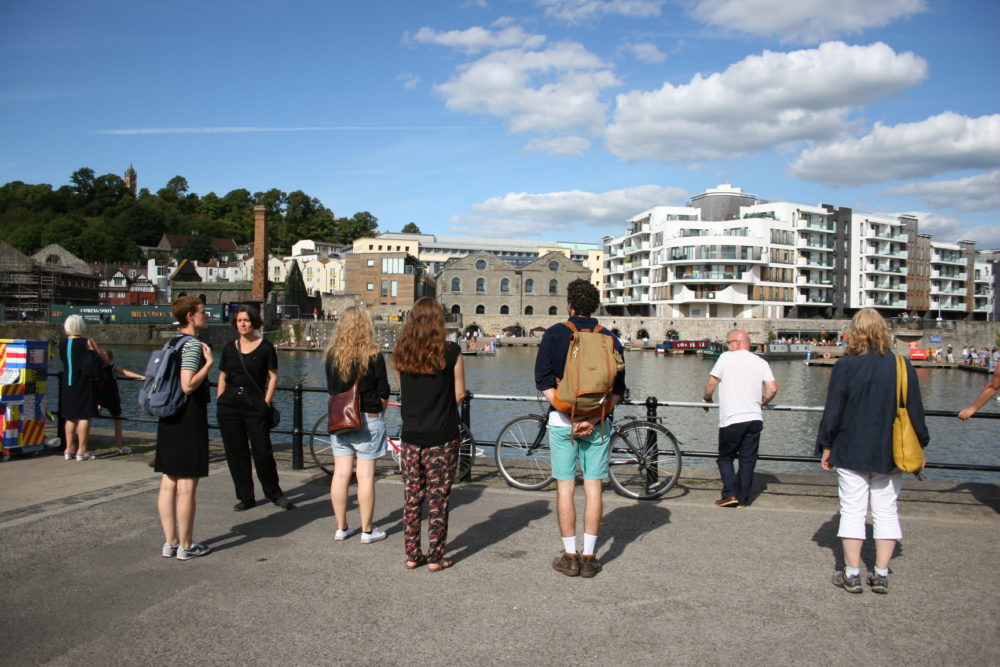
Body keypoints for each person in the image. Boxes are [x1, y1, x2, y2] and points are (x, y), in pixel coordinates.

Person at [816, 308, 929, 595]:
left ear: (854, 332)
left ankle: (851, 573)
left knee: (852, 510)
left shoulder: (845, 366)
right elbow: (915, 411)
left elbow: (834, 411)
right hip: (889, 450)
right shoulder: (903, 366)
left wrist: (826, 445)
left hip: (851, 445)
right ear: (884, 332)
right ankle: (880, 573)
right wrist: (921, 445)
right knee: (886, 510)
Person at [534, 279, 625, 578]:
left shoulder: (556, 334)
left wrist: (569, 414)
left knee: (565, 486)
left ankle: (569, 555)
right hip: (598, 424)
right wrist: (593, 419)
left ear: (569, 304)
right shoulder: (610, 338)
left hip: (562, 423)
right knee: (594, 487)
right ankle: (589, 557)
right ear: (595, 306)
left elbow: (543, 381)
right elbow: (618, 391)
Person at [392, 297, 466, 572]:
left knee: (413, 496)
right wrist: (444, 406)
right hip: (442, 436)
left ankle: (413, 554)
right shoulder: (451, 352)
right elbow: (459, 393)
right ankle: (436, 557)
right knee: (439, 498)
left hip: (411, 436)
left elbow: (404, 392)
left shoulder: (401, 353)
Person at [216, 305, 294, 512]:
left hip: (254, 403)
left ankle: (274, 493)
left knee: (262, 452)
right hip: (230, 405)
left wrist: (266, 401)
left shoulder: (265, 347)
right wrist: (219, 399)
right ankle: (245, 496)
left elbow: (273, 376)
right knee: (236, 453)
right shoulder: (229, 348)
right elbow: (223, 375)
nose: (243, 324)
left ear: (254, 323)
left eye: (247, 320)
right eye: (239, 321)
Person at [154, 296, 215, 560]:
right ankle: (187, 546)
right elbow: (188, 384)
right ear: (190, 316)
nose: (207, 315)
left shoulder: (171, 342)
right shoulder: (192, 345)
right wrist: (210, 363)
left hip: (168, 416)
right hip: (188, 418)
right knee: (187, 486)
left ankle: (170, 542)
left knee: (168, 483)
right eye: (203, 312)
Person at [324, 306, 391, 543]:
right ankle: (367, 530)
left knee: (341, 475)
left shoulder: (332, 354)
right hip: (367, 418)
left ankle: (341, 528)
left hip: (340, 419)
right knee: (365, 476)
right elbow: (384, 391)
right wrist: (377, 411)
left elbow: (332, 389)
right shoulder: (373, 353)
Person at [702, 329, 777, 508]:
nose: (727, 346)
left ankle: (729, 494)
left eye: (728, 343)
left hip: (732, 418)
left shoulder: (726, 357)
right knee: (748, 460)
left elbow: (712, 382)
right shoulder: (760, 361)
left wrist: (707, 398)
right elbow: (773, 389)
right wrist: (763, 401)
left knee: (725, 457)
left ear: (736, 342)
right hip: (755, 418)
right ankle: (743, 499)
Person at [58, 314, 109, 461]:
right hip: (84, 382)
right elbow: (103, 358)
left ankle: (68, 448)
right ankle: (82, 450)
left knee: (70, 417)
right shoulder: (87, 342)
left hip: (68, 382)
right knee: (84, 416)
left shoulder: (61, 343)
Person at [94, 350, 145, 455]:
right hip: (111, 396)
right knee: (118, 420)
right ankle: (119, 446)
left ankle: (98, 409)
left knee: (98, 414)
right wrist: (140, 376)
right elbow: (125, 372)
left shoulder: (95, 367)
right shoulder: (111, 368)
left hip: (99, 395)